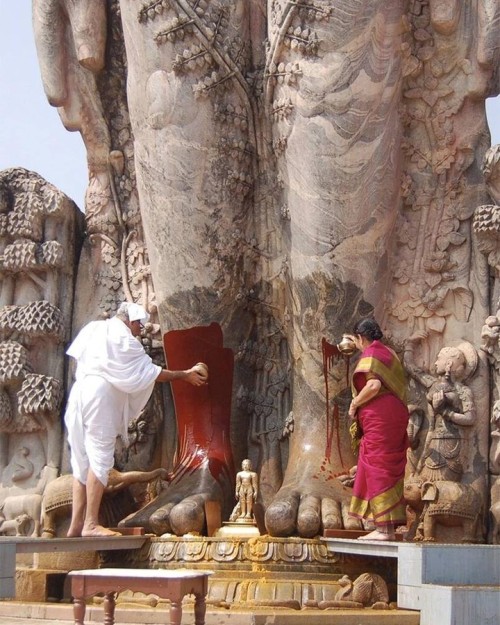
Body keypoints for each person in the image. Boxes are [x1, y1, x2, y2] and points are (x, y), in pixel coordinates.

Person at [64, 302, 207, 538]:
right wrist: (185, 375)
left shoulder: (94, 329)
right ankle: (90, 524)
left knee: (81, 461)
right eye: (139, 324)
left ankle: (75, 526)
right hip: (100, 397)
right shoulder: (125, 339)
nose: (141, 329)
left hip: (79, 393)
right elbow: (154, 373)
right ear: (130, 322)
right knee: (100, 460)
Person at [346, 318, 409, 541]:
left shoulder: (371, 354)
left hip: (381, 418)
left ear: (361, 338)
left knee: (377, 465)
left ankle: (383, 529)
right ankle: (386, 528)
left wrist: (355, 404)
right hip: (395, 416)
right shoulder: (389, 353)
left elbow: (374, 385)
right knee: (384, 465)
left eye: (356, 340)